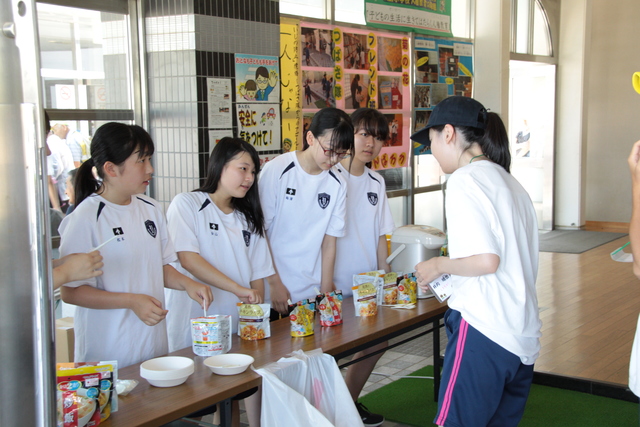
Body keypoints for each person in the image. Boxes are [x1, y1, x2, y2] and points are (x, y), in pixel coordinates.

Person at [410, 96, 542, 427]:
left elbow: (487, 261)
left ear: (450, 133)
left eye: (431, 140)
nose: (430, 150)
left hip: (485, 331)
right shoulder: (510, 183)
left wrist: (437, 266)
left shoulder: (465, 181)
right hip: (521, 337)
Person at [58, 122, 213, 368]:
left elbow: (158, 266)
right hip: (108, 352)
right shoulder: (86, 217)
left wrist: (188, 283)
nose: (150, 169)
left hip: (152, 345)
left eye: (149, 159)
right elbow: (71, 292)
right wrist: (131, 301)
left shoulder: (150, 208)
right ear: (111, 169)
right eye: (141, 161)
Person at [259, 107, 354, 315]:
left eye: (342, 153)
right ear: (310, 138)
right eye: (329, 150)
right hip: (274, 290)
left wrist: (325, 290)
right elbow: (260, 232)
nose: (334, 159)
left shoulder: (338, 182)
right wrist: (274, 283)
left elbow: (330, 242)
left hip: (311, 292)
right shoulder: (277, 169)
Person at [334, 108, 395, 427]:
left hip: (366, 285)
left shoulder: (376, 181)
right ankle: (326, 413)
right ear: (349, 134)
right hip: (332, 284)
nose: (371, 142)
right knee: (327, 354)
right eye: (364, 134)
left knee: (378, 341)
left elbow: (380, 236)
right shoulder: (330, 177)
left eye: (378, 136)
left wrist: (386, 277)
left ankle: (347, 403)